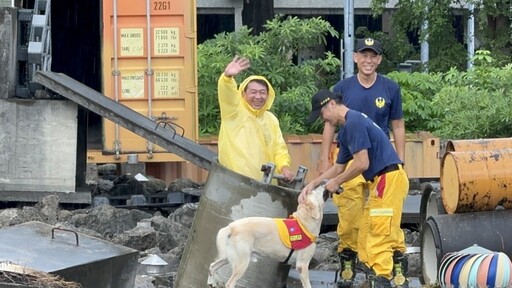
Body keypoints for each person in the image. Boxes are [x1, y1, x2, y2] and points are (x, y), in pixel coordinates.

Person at [317, 38, 407, 287]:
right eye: (363, 55)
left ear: (379, 60)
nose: (368, 60)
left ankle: (391, 264)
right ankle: (350, 260)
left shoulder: (390, 88)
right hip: (350, 157)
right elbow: (329, 124)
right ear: (355, 57)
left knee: (382, 216)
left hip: (378, 161)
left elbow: (397, 125)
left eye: (373, 56)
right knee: (351, 213)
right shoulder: (343, 88)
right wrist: (324, 160)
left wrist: (400, 157)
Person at [300, 89, 409, 288]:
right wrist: (314, 183)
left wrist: (337, 182)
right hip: (382, 181)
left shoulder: (354, 123)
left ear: (331, 104)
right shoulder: (348, 128)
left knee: (378, 236)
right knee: (367, 233)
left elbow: (361, 163)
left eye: (322, 114)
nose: (324, 119)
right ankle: (379, 279)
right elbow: (339, 167)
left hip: (388, 179)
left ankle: (382, 280)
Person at [217, 55, 295, 181]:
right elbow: (228, 96)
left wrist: (284, 167)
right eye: (253, 92)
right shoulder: (233, 112)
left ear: (268, 95)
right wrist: (227, 78)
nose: (258, 96)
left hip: (266, 187)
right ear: (243, 93)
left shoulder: (271, 119)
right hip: (235, 183)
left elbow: (279, 148)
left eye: (262, 92)